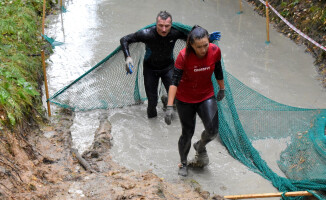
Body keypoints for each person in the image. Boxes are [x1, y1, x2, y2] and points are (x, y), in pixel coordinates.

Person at [164, 25, 225, 177]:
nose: (203, 50)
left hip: (206, 95)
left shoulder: (215, 51)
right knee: (187, 133)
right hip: (185, 99)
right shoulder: (183, 56)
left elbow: (218, 69)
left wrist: (222, 88)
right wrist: (170, 106)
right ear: (191, 44)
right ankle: (183, 163)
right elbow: (174, 81)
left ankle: (200, 146)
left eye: (206, 45)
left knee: (213, 130)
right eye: (199, 47)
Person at [120, 11, 188, 118]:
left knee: (176, 97)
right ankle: (153, 125)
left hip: (168, 68)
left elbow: (193, 37)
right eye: (160, 26)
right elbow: (124, 39)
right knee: (152, 103)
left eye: (167, 26)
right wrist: (128, 57)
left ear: (171, 25)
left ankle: (166, 101)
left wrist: (207, 37)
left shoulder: (175, 33)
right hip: (150, 70)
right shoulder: (146, 34)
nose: (164, 29)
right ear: (156, 24)